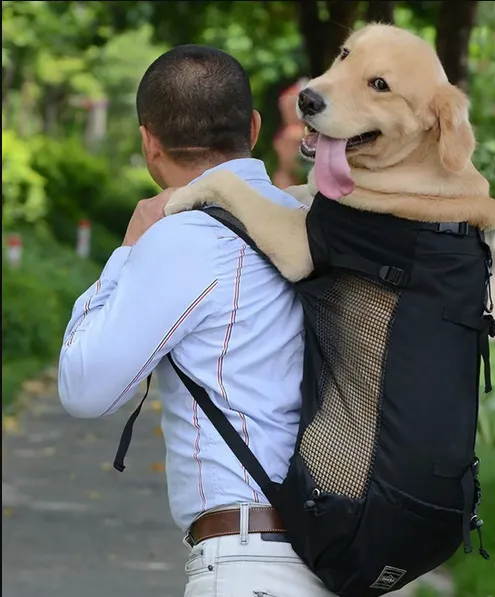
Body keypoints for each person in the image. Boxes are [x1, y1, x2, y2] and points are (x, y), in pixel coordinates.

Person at [58, 45, 333, 597]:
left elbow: (85, 388)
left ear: (148, 143)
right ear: (253, 127)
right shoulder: (308, 221)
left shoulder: (186, 240)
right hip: (334, 552)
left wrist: (129, 249)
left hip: (250, 565)